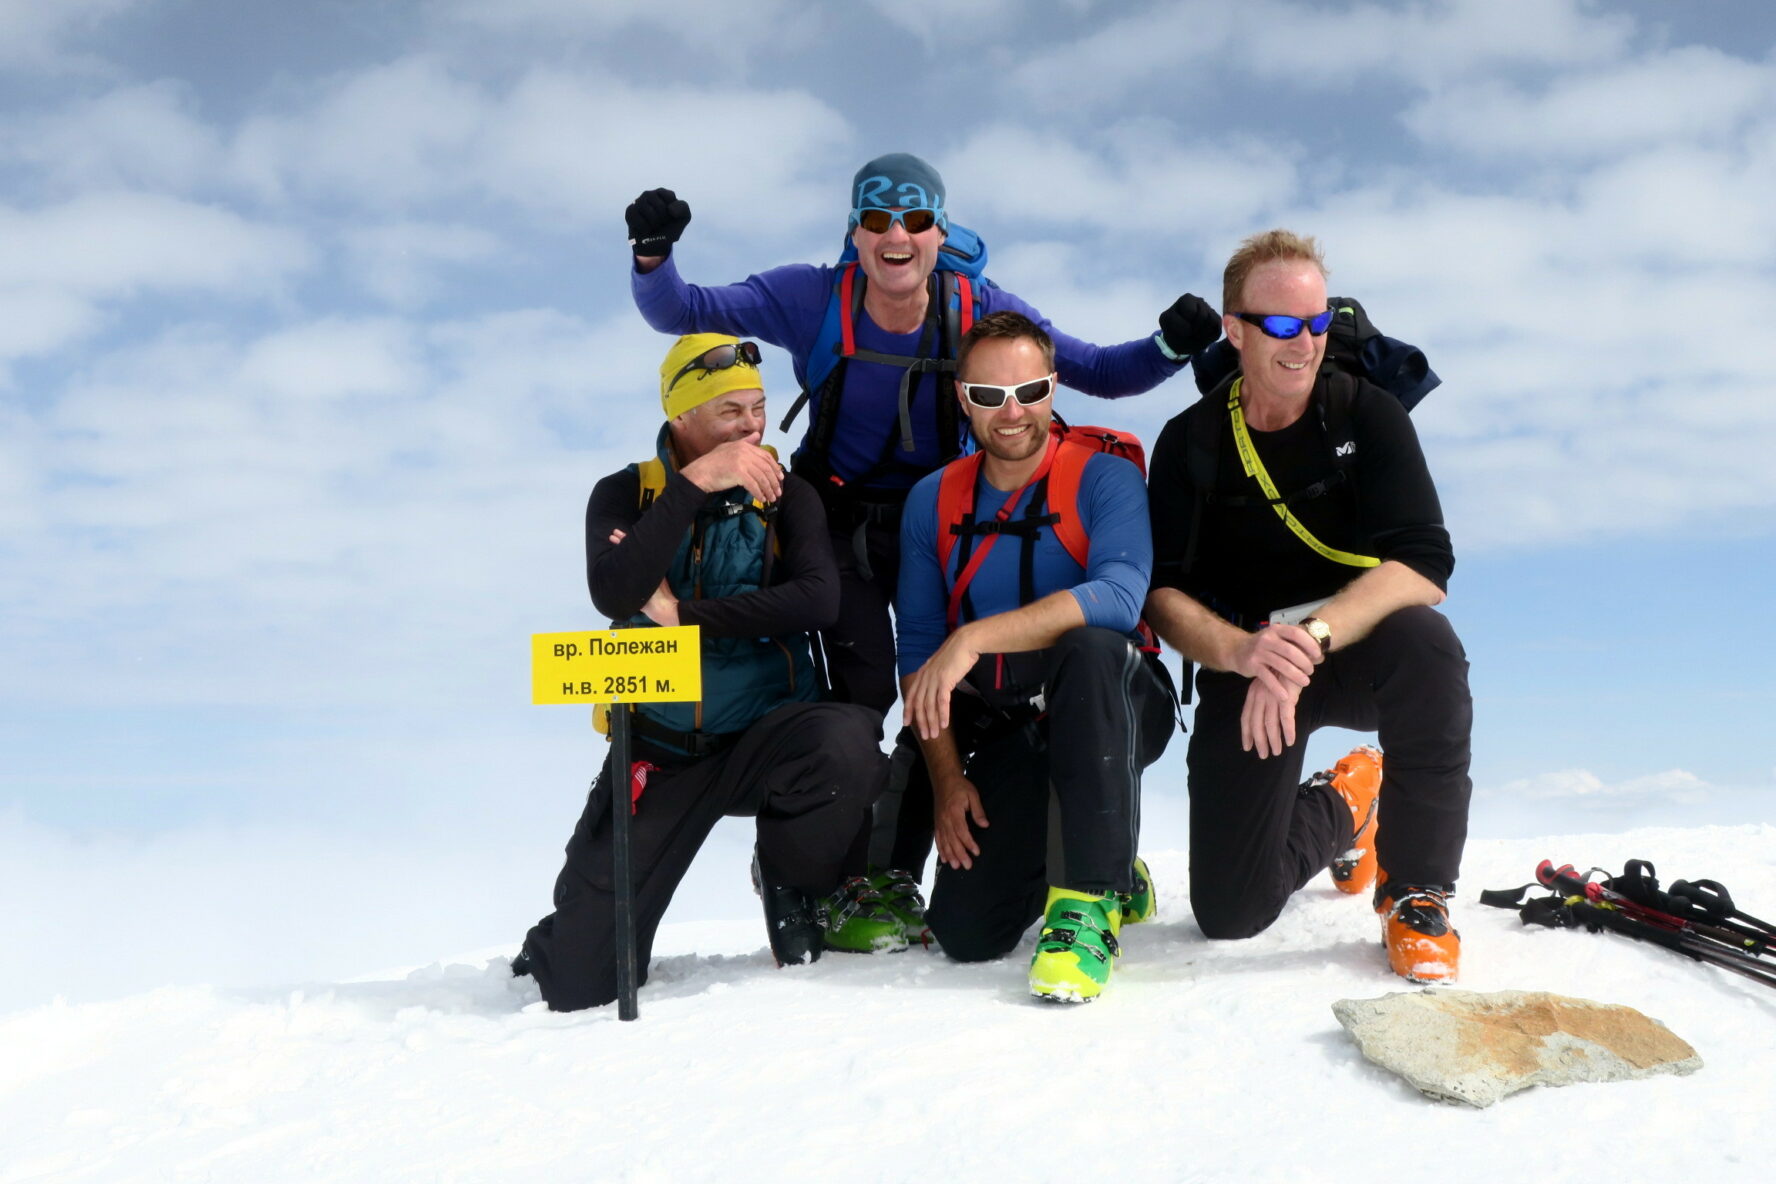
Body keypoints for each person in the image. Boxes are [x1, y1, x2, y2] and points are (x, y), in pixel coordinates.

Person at [624, 153, 1220, 882]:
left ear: (940, 231)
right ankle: (825, 869)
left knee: (954, 679)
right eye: (877, 221)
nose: (895, 235)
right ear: (854, 232)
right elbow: (680, 312)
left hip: (938, 520)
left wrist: (1170, 348)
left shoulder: (975, 309)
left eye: (914, 220)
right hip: (833, 518)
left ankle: (1035, 848)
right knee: (864, 690)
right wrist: (653, 256)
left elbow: (1093, 370)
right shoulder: (813, 298)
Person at [514, 334, 896, 1013]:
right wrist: (692, 486)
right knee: (581, 985)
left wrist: (683, 613)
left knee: (848, 745)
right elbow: (614, 589)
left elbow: (816, 599)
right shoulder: (627, 492)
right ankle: (571, 930)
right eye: (730, 414)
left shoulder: (788, 494)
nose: (752, 427)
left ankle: (790, 878)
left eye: (759, 408)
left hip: (770, 738)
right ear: (683, 418)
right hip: (660, 755)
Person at [1143, 230, 1473, 982]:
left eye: (1318, 323)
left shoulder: (1369, 414)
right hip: (1249, 663)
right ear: (1235, 329)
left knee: (1428, 645)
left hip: (1350, 649)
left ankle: (1415, 891)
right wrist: (1244, 652)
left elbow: (1425, 563)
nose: (1305, 343)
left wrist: (1312, 638)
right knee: (1231, 912)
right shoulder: (1189, 443)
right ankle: (1347, 802)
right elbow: (1162, 594)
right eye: (1284, 326)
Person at [895, 311, 1176, 1003]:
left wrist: (976, 636)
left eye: (1029, 391)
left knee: (1086, 643)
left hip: (1120, 696)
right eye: (989, 396)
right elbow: (919, 656)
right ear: (963, 397)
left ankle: (1088, 898)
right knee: (967, 934)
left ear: (1054, 386)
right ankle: (1106, 858)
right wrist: (948, 782)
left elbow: (1115, 596)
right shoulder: (932, 500)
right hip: (1017, 717)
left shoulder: (1105, 477)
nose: (1012, 412)